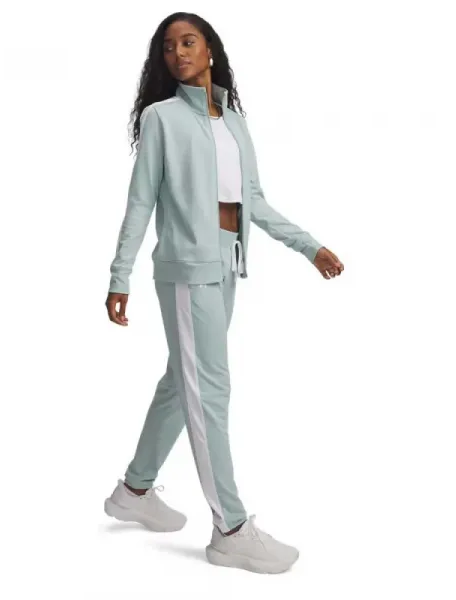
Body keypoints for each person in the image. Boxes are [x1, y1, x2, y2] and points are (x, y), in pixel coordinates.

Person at [103, 12, 344, 574]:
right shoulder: (162, 118)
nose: (178, 53)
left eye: (188, 42)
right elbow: (140, 201)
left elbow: (252, 201)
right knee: (209, 390)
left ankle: (134, 492)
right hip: (187, 272)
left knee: (181, 381)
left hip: (227, 267)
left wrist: (309, 247)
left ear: (210, 49)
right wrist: (120, 276)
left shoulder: (233, 122)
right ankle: (230, 528)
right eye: (168, 47)